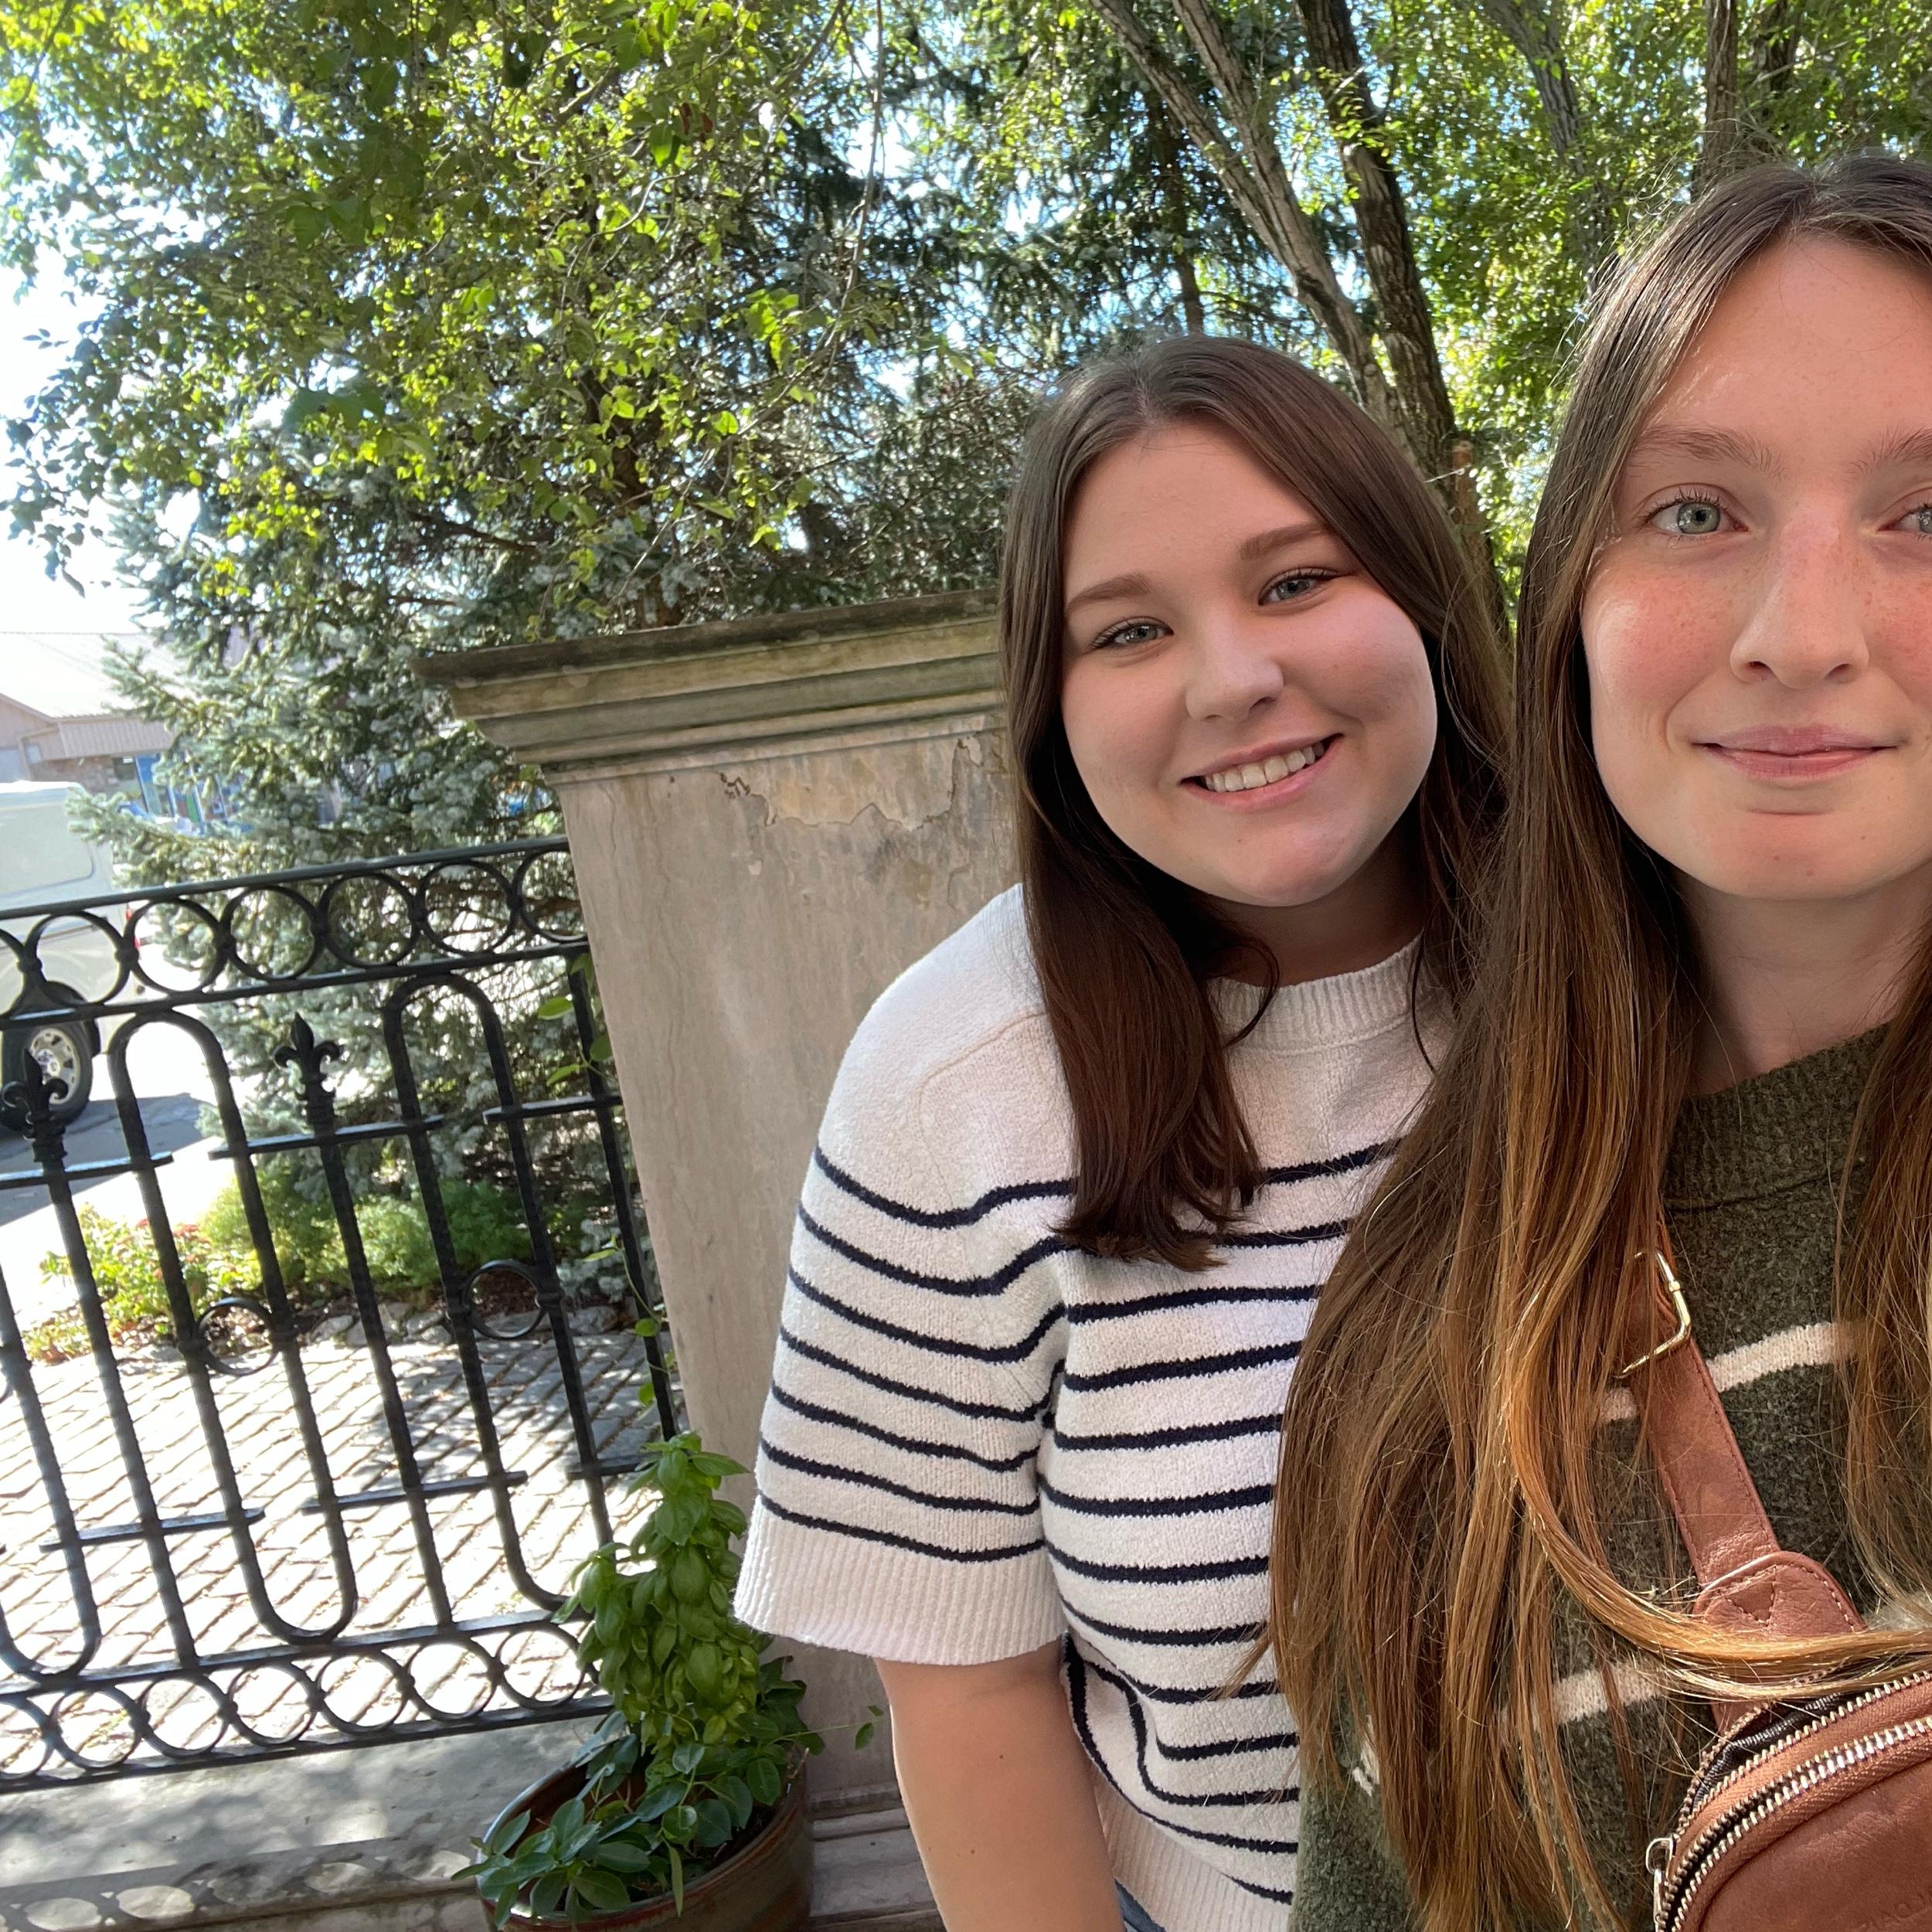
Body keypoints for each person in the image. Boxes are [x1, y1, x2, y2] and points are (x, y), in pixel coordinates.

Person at [730, 335, 1506, 1932]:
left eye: (1295, 580)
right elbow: (969, 1686)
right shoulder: (953, 1085)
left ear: (1424, 598)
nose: (1230, 678)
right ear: (1053, 707)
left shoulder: (1652, 948)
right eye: (1130, 629)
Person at [1274, 153, 1932, 1932]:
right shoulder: (1424, 1340)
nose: (1798, 635)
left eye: (1922, 514)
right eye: (1694, 510)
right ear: (1566, 596)